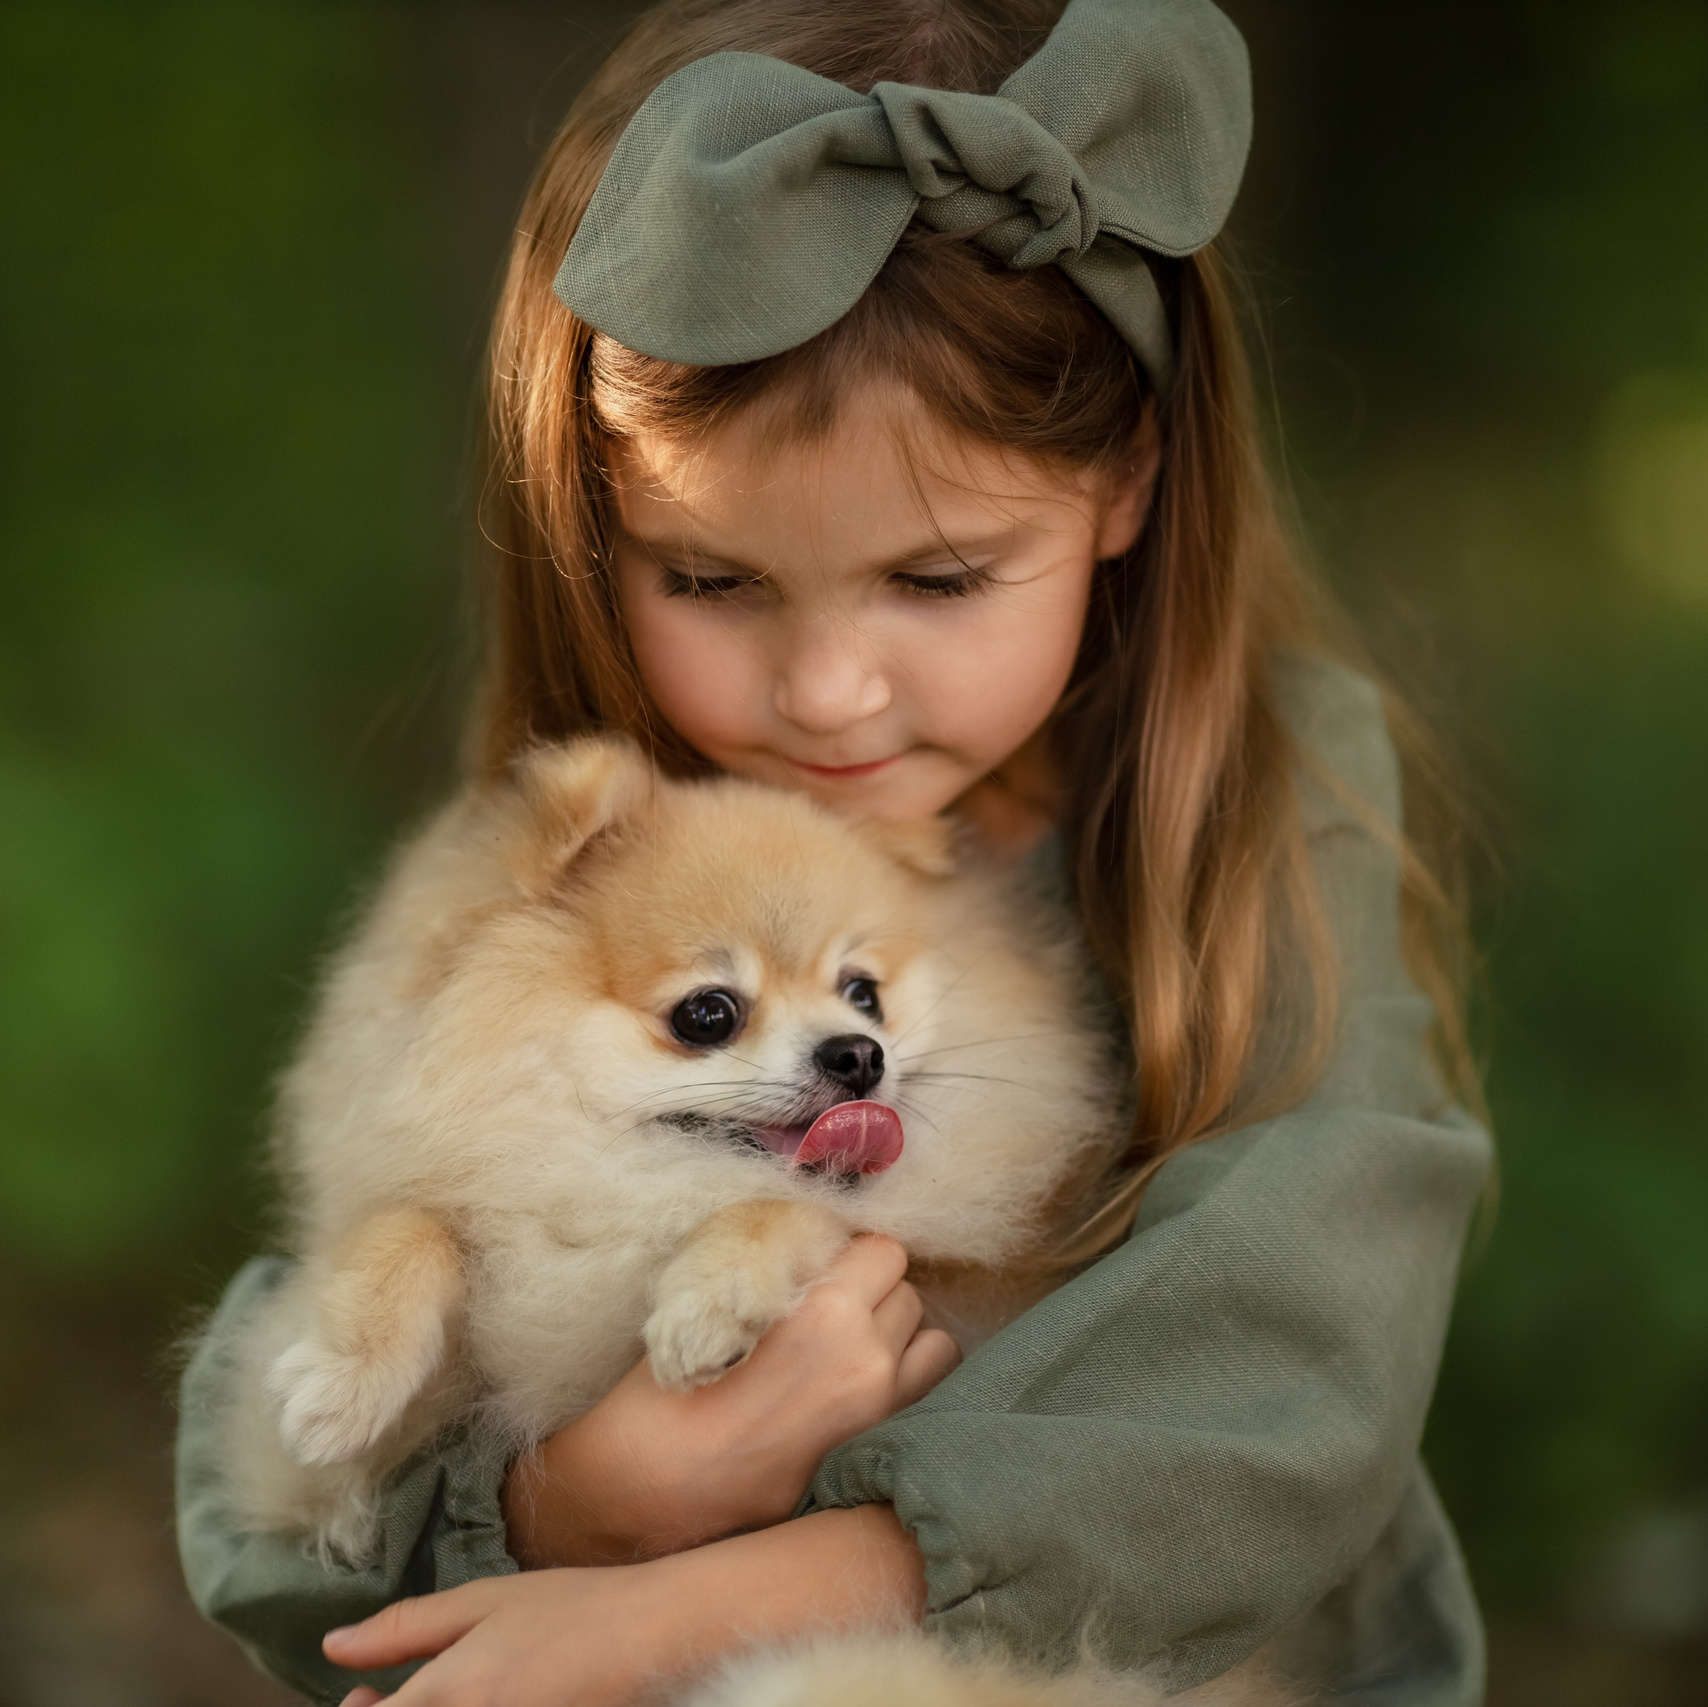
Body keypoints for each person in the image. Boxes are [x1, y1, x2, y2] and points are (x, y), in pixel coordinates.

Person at [175, 1, 1495, 1703]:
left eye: (938, 579)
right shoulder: (610, 851)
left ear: (1128, 483)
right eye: (711, 582)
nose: (825, 693)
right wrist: (564, 1508)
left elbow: (1298, 1361)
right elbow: (272, 1511)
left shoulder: (1260, 810)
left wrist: (688, 1603)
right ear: (589, 527)